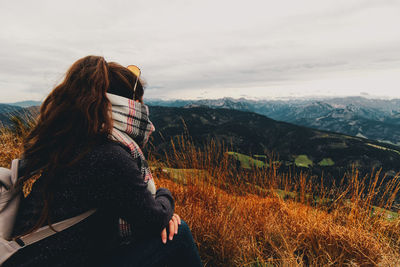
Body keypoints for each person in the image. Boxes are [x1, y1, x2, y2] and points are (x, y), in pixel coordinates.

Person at [4, 55, 203, 267]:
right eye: (138, 101)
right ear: (126, 104)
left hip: (34, 256)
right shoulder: (108, 155)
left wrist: (161, 214)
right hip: (57, 259)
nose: (142, 108)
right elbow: (153, 220)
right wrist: (165, 195)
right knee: (179, 234)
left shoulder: (74, 140)